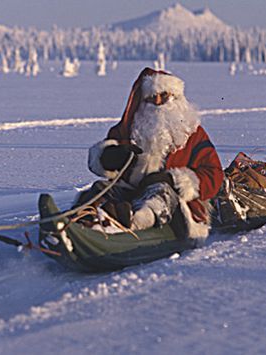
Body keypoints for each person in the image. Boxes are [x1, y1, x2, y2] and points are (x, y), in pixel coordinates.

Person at [84, 67, 224, 239]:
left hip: (175, 206)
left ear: (176, 98)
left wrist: (174, 180)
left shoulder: (194, 133)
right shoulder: (129, 129)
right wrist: (109, 157)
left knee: (160, 192)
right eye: (151, 98)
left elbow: (215, 175)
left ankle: (132, 225)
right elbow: (97, 163)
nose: (157, 102)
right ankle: (85, 219)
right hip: (131, 192)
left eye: (164, 96)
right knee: (100, 189)